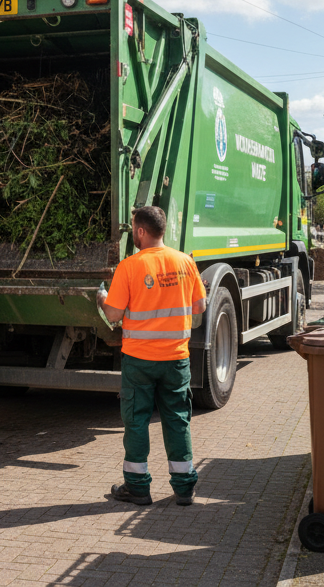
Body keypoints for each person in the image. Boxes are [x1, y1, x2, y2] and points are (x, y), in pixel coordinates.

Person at [99, 205, 207, 506]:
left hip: (139, 360)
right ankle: (184, 488)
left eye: (134, 228)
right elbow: (199, 307)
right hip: (176, 359)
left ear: (142, 231)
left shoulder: (129, 267)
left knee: (136, 422)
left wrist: (102, 299)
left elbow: (114, 313)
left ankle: (137, 487)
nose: (134, 233)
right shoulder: (185, 262)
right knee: (178, 420)